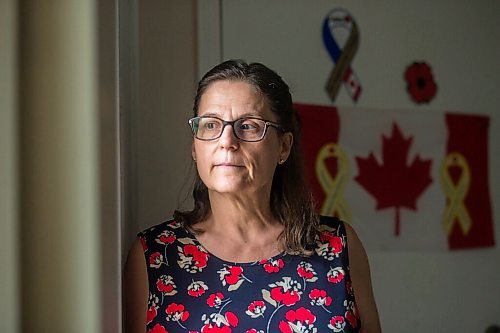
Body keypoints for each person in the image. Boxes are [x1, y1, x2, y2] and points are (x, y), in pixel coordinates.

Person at [124, 59, 381, 333]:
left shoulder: (339, 247)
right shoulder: (153, 256)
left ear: (283, 147)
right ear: (195, 148)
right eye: (210, 125)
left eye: (248, 126)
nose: (227, 141)